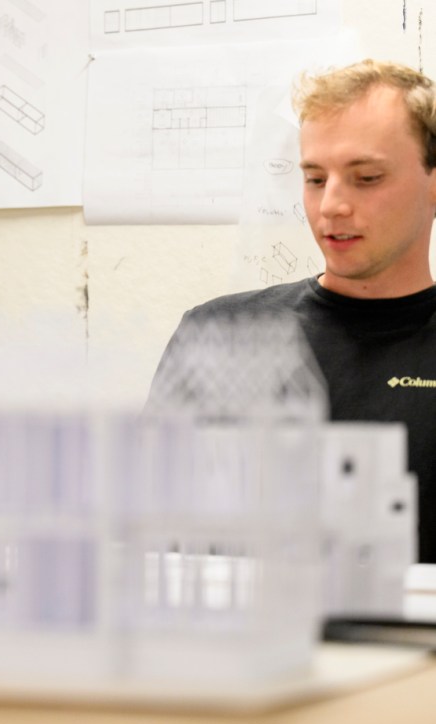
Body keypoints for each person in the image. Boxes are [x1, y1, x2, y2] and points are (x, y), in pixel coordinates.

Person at [149, 59, 436, 562]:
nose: (332, 206)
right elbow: (155, 538)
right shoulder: (221, 334)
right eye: (315, 179)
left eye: (366, 178)